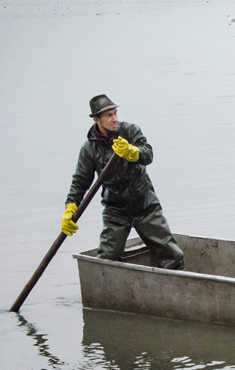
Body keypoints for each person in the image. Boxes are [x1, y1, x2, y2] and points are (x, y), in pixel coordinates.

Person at [61, 94, 184, 270]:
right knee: (107, 261)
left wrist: (132, 152)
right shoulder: (89, 149)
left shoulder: (130, 131)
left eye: (115, 113)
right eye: (109, 115)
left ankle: (177, 287)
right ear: (96, 119)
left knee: (172, 255)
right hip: (115, 209)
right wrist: (70, 207)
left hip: (144, 203)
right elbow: (80, 181)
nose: (114, 119)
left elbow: (148, 154)